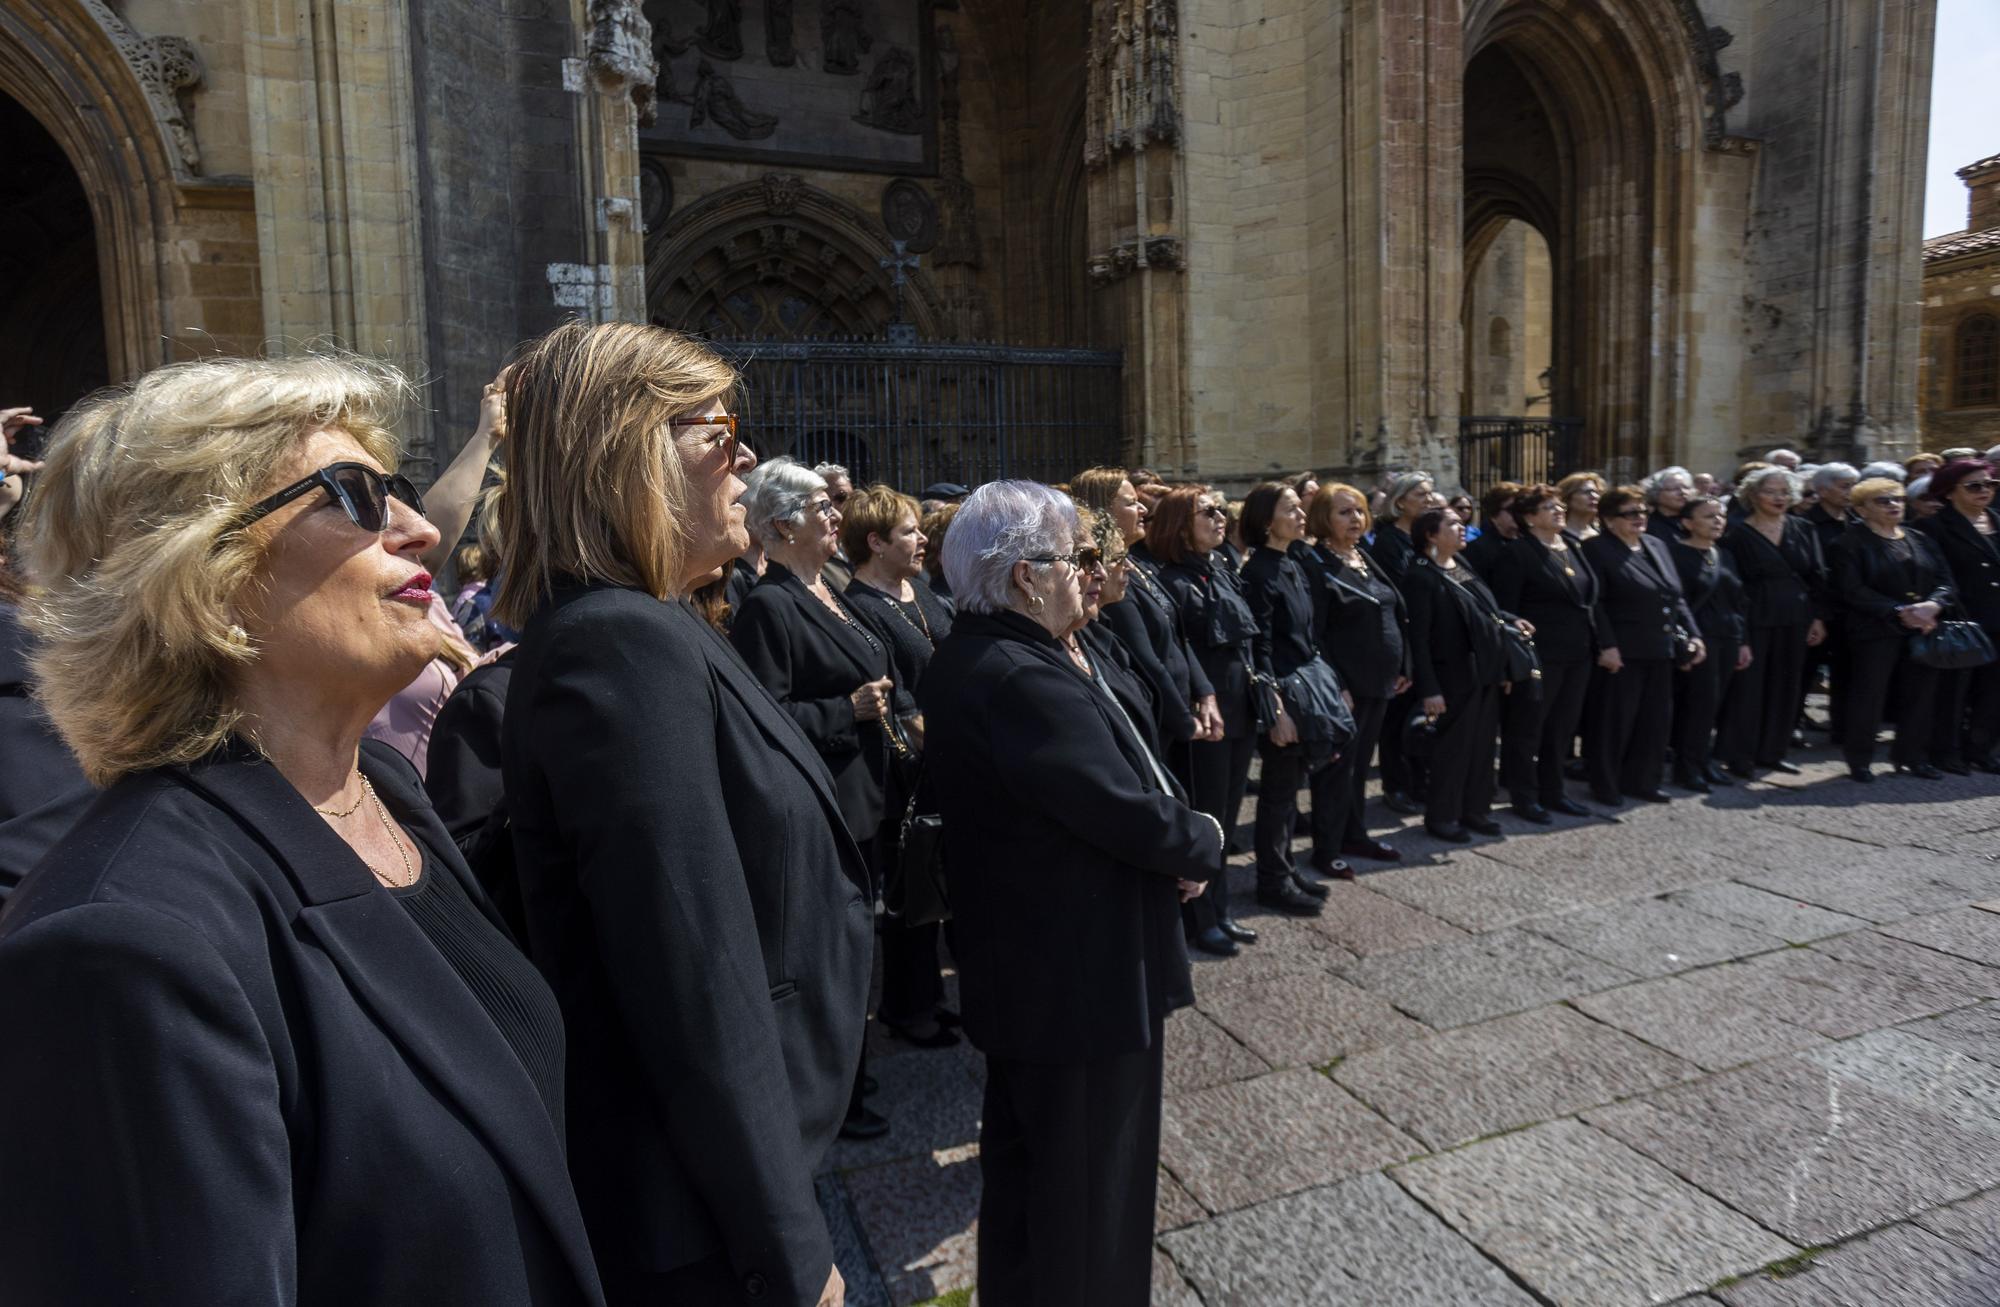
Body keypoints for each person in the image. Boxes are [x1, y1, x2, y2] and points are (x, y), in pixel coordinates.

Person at [0, 354, 603, 1306]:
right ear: (203, 569)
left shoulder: (388, 794)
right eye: (356, 497)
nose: (421, 529)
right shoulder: (123, 942)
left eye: (399, 492)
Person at [494, 324, 868, 1306]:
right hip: (702, 1218)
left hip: (728, 1179)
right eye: (716, 428)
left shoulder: (646, 623)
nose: (744, 453)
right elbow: (691, 967)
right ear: (629, 453)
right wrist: (787, 1248)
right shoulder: (614, 643)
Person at [918, 481, 1221, 1307]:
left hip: (1035, 969)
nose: (1086, 574)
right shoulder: (1020, 675)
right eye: (1070, 558)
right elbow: (1113, 807)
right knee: (1090, 1200)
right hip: (1076, 976)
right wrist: (1203, 840)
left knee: (1036, 1187)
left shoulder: (980, 651)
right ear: (1023, 575)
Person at [841, 484, 961, 1044]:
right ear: (874, 542)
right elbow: (899, 700)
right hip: (909, 772)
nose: (921, 540)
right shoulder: (861, 608)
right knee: (909, 895)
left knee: (938, 889)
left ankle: (931, 1000)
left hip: (946, 759)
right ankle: (906, 1010)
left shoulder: (918, 591)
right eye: (909, 532)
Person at [1151, 486, 1267, 932]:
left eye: (1221, 511)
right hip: (1206, 714)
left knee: (1231, 810)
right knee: (1209, 814)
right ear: (1181, 525)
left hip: (1240, 705)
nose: (1221, 519)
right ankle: (1199, 917)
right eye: (1208, 513)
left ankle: (1217, 909)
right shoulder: (1169, 579)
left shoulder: (1220, 566)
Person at [1241, 482, 1341, 900]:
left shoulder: (1292, 563)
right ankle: (1272, 880)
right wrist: (1276, 709)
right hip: (1283, 693)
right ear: (1267, 521)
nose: (1302, 515)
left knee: (1290, 790)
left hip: (1303, 687)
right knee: (1278, 792)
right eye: (1292, 509)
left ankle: (1285, 867)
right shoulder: (1259, 572)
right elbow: (1258, 645)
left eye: (1301, 509)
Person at [1403, 506, 1527, 842]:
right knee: (1452, 751)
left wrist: (1511, 620)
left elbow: (1483, 608)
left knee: (1482, 747)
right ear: (1431, 534)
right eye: (1453, 524)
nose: (1463, 529)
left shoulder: (1461, 565)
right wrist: (1428, 689)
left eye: (1462, 523)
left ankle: (1475, 810)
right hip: (1451, 677)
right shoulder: (1421, 575)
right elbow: (1419, 638)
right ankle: (1443, 817)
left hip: (1482, 671)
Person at [1302, 483, 1408, 862]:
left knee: (1360, 767)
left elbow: (1393, 608)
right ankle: (1328, 847)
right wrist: (1338, 685)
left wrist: (1404, 664)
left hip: (1380, 682)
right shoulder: (1317, 564)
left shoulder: (1363, 555)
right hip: (1347, 686)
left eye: (1360, 511)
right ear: (1323, 519)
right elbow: (1315, 632)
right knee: (1336, 770)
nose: (1356, 519)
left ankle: (1354, 833)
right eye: (1345, 512)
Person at [1581, 486, 1704, 805]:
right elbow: (1596, 604)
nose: (1639, 518)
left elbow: (1676, 597)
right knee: (1614, 720)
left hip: (1659, 647)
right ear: (1608, 520)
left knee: (1654, 719)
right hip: (1622, 650)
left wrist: (1693, 635)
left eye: (1642, 512)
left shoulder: (1656, 544)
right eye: (1630, 513)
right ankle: (1605, 783)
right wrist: (1606, 645)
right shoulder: (1596, 549)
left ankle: (1643, 780)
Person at [1829, 476, 1954, 782]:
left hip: (1923, 626)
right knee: (1869, 695)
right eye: (1883, 501)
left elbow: (1945, 580)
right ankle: (1860, 760)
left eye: (1897, 499)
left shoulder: (1918, 537)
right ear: (1861, 509)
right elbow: (1851, 589)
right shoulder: (1848, 542)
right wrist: (1899, 611)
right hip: (1875, 630)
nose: (1894, 505)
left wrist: (1933, 606)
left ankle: (1911, 757)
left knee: (1920, 694)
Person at [1490, 484, 1600, 819]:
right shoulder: (1518, 553)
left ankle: (1554, 790)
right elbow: (1506, 609)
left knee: (1561, 728)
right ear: (1529, 517)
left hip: (1577, 653)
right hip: (1538, 656)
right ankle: (1525, 796)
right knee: (1528, 728)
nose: (1559, 511)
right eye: (1549, 507)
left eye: (1560, 506)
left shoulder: (1572, 546)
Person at [1716, 467, 1826, 777]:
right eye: (1770, 492)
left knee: (1787, 684)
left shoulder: (1803, 528)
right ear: (1752, 496)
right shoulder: (1735, 533)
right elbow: (1730, 582)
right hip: (1754, 615)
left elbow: (1817, 575)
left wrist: (1817, 617)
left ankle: (1773, 752)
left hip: (1796, 615)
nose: (1779, 498)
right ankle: (1740, 755)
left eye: (1784, 492)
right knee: (1749, 687)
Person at [1915, 460, 2000, 773]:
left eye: (1990, 484)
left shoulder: (1996, 519)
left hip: (1998, 616)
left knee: (1994, 690)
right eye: (1974, 486)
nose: (1984, 491)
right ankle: (1945, 752)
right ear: (1950, 493)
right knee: (1954, 691)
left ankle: (1981, 749)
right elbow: (1935, 575)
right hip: (1961, 618)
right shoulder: (1933, 527)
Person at [1669, 496, 1751, 792]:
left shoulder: (1724, 555)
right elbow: (1677, 602)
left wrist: (1744, 642)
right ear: (1688, 523)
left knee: (1715, 704)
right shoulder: (1675, 555)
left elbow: (1740, 601)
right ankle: (1687, 767)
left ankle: (1703, 762)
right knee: (1698, 705)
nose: (1717, 521)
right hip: (1699, 639)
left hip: (1729, 637)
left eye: (1720, 515)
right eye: (1708, 516)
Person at [1368, 471, 1437, 815]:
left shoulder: (1426, 538)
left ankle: (1422, 781)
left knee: (1424, 718)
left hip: (1429, 638)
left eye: (1430, 494)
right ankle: (1396, 785)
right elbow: (1398, 596)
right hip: (1405, 642)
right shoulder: (1389, 542)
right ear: (1400, 501)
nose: (1429, 499)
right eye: (1421, 494)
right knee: (1396, 722)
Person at [1463, 480, 1522, 575]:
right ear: (1494, 513)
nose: (1518, 514)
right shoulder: (1476, 549)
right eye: (1511, 509)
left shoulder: (1528, 544)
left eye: (1520, 508)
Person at [813, 462, 857, 591]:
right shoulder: (815, 560)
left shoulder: (862, 547)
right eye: (842, 498)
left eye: (853, 498)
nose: (851, 505)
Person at [1642, 466, 1694, 540]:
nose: (1683, 492)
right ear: (1656, 493)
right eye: (1675, 489)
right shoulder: (1649, 526)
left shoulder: (1696, 520)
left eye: (1686, 487)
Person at [1557, 471, 1606, 541]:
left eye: (1597, 492)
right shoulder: (1556, 535)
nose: (1594, 496)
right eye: (1587, 492)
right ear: (1568, 497)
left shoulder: (1602, 534)